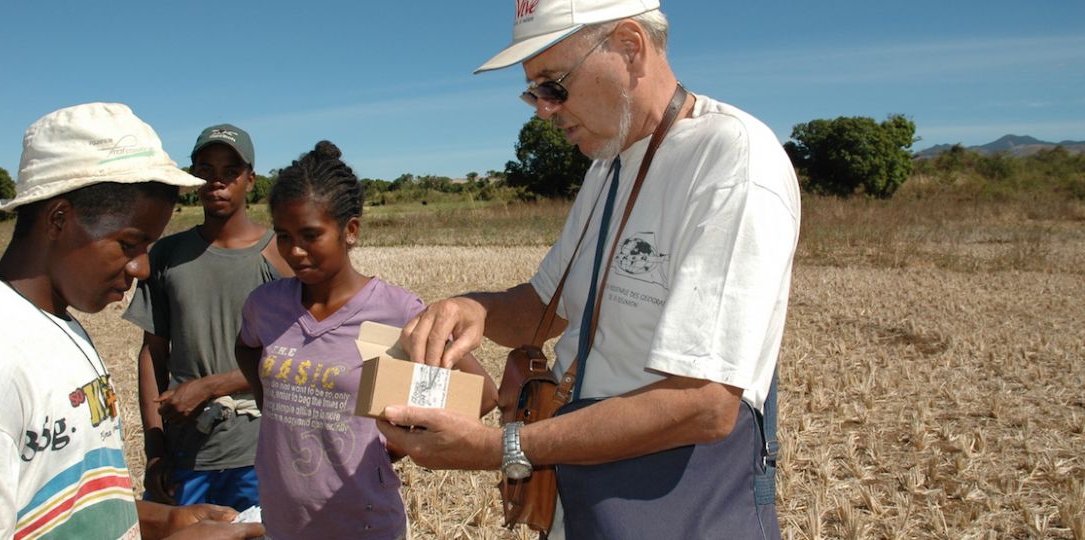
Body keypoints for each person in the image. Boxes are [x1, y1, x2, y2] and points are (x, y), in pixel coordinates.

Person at [379, 1, 800, 539]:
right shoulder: (609, 163)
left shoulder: (731, 161)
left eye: (553, 85)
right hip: (586, 502)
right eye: (532, 91)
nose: (542, 108)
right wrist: (473, 307)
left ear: (630, 47)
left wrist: (502, 448)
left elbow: (704, 405)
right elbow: (543, 307)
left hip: (680, 511)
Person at [0, 102, 264, 539]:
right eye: (129, 243)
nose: (140, 269)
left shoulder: (60, 327)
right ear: (59, 219)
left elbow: (67, 504)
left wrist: (162, 521)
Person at [234, 141, 499, 540]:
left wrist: (399, 445)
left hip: (363, 521)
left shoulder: (396, 311)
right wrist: (267, 399)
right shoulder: (265, 305)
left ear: (350, 231)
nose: (295, 251)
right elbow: (247, 346)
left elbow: (480, 395)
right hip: (283, 517)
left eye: (310, 235)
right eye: (283, 236)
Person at [123, 123, 290, 511]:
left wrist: (213, 386)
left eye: (230, 172)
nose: (217, 182)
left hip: (260, 449)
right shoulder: (166, 256)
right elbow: (152, 354)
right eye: (205, 170)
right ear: (192, 178)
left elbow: (303, 355)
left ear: (250, 180)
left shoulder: (281, 255)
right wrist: (155, 449)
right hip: (185, 453)